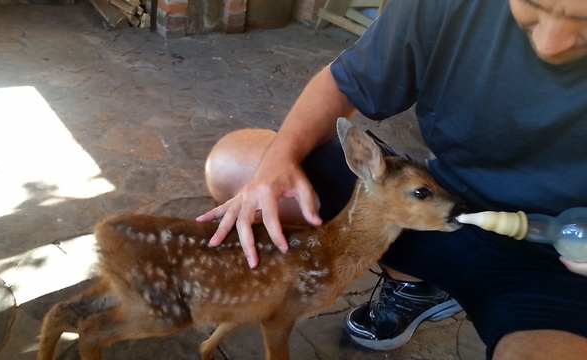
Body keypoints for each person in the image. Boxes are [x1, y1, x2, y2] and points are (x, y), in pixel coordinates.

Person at [197, 0, 587, 358]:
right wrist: (275, 165)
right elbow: (344, 82)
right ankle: (415, 286)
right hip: (432, 203)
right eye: (533, 5)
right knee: (238, 163)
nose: (551, 43)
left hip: (552, 256)